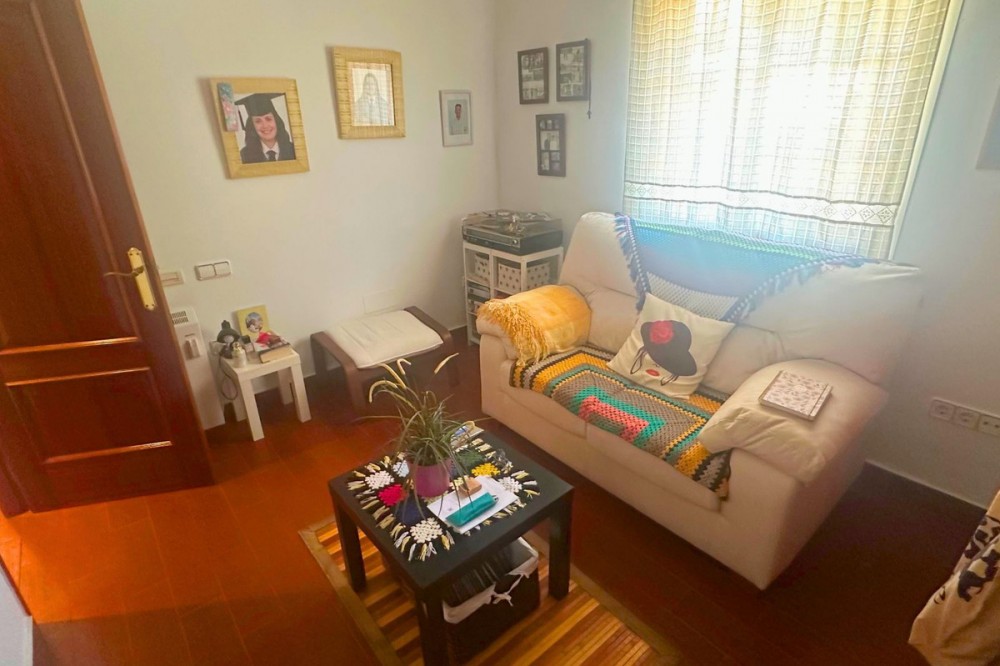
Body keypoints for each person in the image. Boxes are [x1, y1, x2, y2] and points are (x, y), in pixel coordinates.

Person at [235, 93, 296, 164]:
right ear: (252, 126)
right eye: (258, 121)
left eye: (268, 119)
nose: (265, 125)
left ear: (277, 121)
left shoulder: (293, 150)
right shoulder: (244, 156)